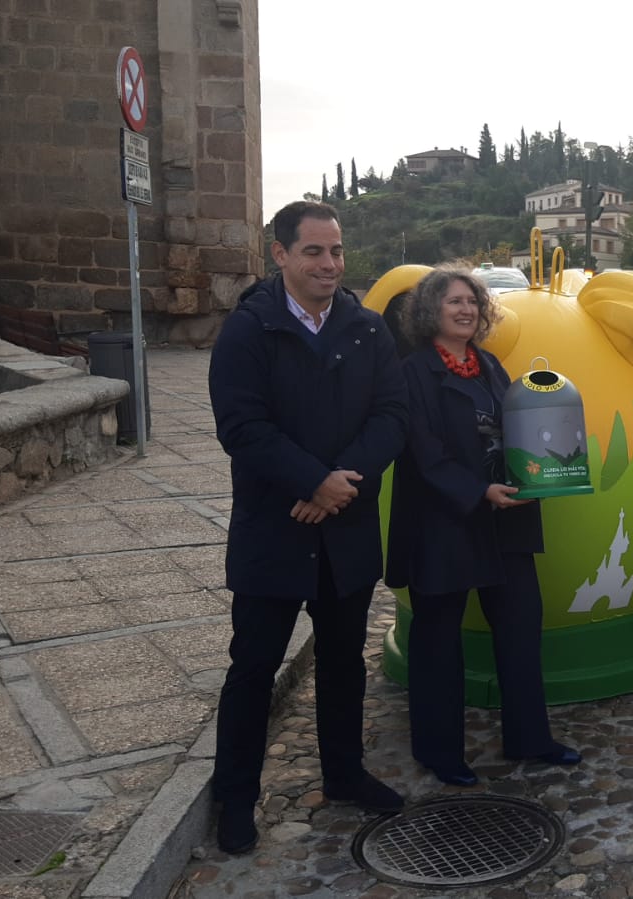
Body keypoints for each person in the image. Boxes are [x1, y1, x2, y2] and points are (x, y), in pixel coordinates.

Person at [207, 200, 410, 855]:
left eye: (337, 251)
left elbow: (391, 416)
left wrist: (338, 481)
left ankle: (344, 772)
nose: (330, 264)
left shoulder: (366, 329)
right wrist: (308, 480)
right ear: (281, 254)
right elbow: (242, 427)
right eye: (315, 251)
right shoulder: (248, 331)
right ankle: (234, 799)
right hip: (275, 529)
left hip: (343, 526)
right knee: (253, 667)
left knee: (343, 661)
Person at [382, 266, 580, 786]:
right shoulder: (412, 373)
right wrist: (478, 492)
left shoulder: (489, 364)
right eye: (454, 302)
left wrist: (542, 468)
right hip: (443, 524)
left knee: (520, 627)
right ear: (431, 311)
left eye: (472, 301)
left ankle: (531, 738)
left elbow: (515, 431)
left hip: (505, 519)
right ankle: (439, 751)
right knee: (437, 641)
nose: (466, 310)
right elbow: (423, 454)